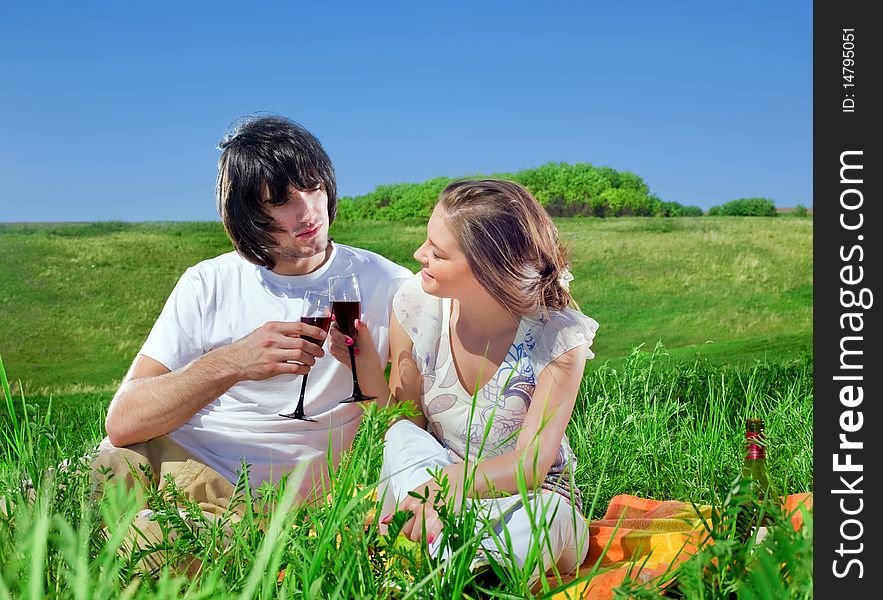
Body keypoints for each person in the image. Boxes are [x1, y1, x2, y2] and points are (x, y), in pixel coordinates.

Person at [95, 115, 412, 522]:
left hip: (252, 503)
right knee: (54, 498)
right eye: (281, 201)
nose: (309, 211)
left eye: (314, 187)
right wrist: (234, 362)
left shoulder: (387, 284)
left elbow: (408, 427)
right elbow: (123, 422)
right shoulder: (207, 282)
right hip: (167, 458)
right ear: (246, 214)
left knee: (145, 542)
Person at [327, 179, 598, 580]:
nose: (419, 254)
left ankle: (465, 565)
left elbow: (531, 466)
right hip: (436, 484)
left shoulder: (558, 338)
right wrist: (364, 368)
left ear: (489, 270)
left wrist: (449, 486)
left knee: (548, 519)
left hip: (526, 499)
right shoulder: (416, 307)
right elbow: (403, 426)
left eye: (436, 253)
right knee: (403, 439)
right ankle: (448, 548)